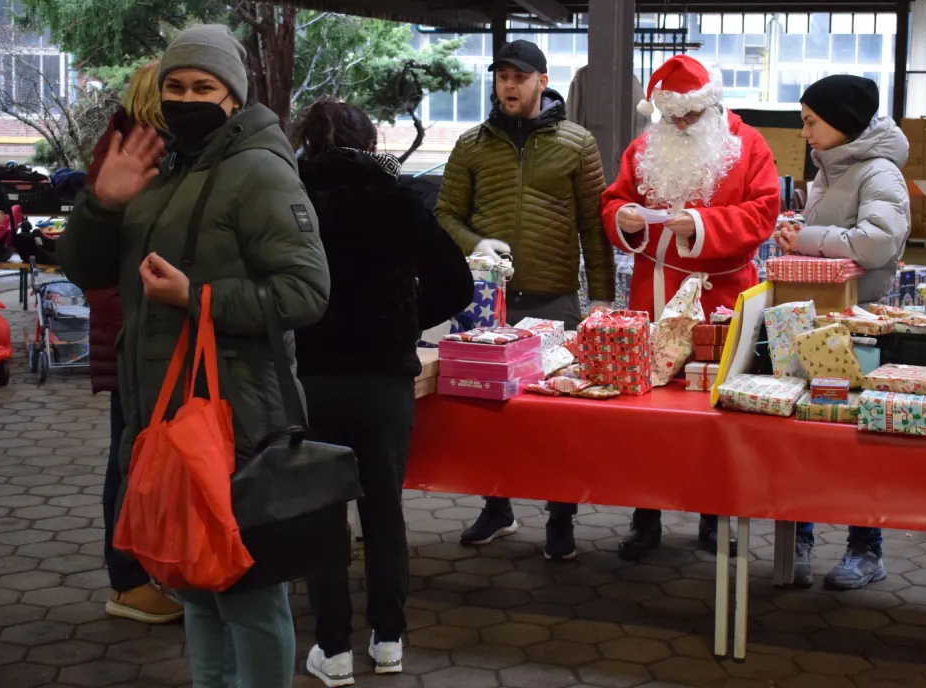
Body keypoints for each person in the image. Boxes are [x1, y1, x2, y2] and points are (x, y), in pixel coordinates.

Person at [58, 24, 330, 687]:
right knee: (194, 585)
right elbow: (86, 268)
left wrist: (198, 296)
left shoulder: (261, 171)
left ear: (233, 97)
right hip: (159, 411)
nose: (186, 98)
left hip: (235, 417)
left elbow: (306, 292)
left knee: (245, 588)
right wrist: (101, 203)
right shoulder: (165, 170)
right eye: (175, 86)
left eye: (203, 86)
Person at [293, 99, 474, 686]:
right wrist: (406, 320)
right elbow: (457, 282)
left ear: (307, 146)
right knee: (383, 511)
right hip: (386, 378)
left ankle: (333, 649)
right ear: (370, 142)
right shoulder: (400, 198)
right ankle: (390, 639)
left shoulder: (295, 203)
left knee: (321, 512)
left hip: (313, 376)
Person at [435, 39, 615, 561]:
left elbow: (592, 227)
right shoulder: (472, 144)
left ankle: (562, 516)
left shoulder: (578, 143)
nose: (508, 85)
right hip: (486, 301)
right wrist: (475, 245)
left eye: (519, 76)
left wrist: (601, 296)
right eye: (501, 76)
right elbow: (445, 214)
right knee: (486, 412)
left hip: (555, 299)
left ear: (542, 80)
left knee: (557, 420)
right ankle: (497, 506)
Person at [600, 54, 779, 561]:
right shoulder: (641, 149)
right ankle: (645, 513)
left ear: (712, 107)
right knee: (647, 413)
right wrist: (626, 219)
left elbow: (763, 213)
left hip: (717, 293)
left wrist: (701, 227)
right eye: (669, 117)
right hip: (652, 292)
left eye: (689, 116)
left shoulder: (749, 147)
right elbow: (613, 202)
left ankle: (713, 513)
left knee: (712, 412)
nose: (678, 125)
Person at [772, 74, 910, 591]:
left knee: (857, 442)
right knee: (806, 439)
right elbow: (840, 235)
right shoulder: (832, 169)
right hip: (817, 325)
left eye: (810, 122)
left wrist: (806, 236)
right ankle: (799, 539)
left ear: (842, 123)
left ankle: (866, 547)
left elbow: (876, 243)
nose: (804, 132)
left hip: (859, 328)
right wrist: (799, 233)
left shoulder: (879, 173)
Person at [85, 60, 184, 625]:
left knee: (143, 452)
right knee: (130, 456)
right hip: (134, 334)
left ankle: (145, 570)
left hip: (140, 330)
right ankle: (125, 581)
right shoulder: (131, 155)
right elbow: (102, 258)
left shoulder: (132, 147)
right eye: (178, 87)